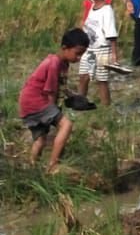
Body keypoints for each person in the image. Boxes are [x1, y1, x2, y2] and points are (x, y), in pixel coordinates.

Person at [21, 29, 90, 172]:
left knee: (40, 140)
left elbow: (61, 86)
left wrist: (74, 96)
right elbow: (50, 91)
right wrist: (55, 111)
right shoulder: (54, 63)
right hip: (37, 101)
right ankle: (52, 165)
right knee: (66, 125)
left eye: (81, 55)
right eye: (77, 53)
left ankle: (32, 168)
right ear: (65, 48)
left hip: (27, 104)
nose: (78, 58)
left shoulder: (63, 64)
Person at [77, 0, 120, 107]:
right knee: (83, 76)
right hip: (89, 49)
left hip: (102, 49)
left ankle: (106, 107)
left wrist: (113, 53)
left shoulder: (107, 10)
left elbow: (111, 32)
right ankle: (80, 103)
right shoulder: (92, 7)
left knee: (101, 80)